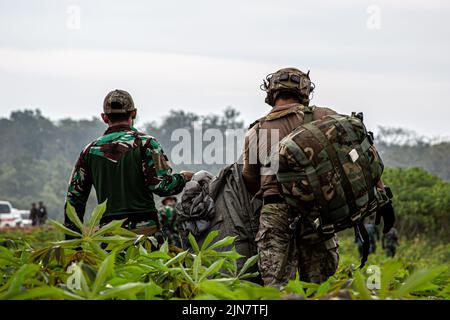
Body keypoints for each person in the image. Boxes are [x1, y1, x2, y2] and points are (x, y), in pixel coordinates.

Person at [242, 67, 340, 288]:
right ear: (304, 91)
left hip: (276, 211)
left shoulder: (257, 130)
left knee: (275, 287)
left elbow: (249, 178)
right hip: (318, 211)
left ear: (272, 92)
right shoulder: (325, 117)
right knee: (319, 286)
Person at [64, 89, 193, 238]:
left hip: (110, 237)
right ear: (134, 113)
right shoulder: (147, 144)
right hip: (146, 236)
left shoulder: (90, 151)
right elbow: (162, 186)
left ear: (104, 117)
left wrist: (73, 248)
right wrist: (184, 177)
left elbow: (74, 200)